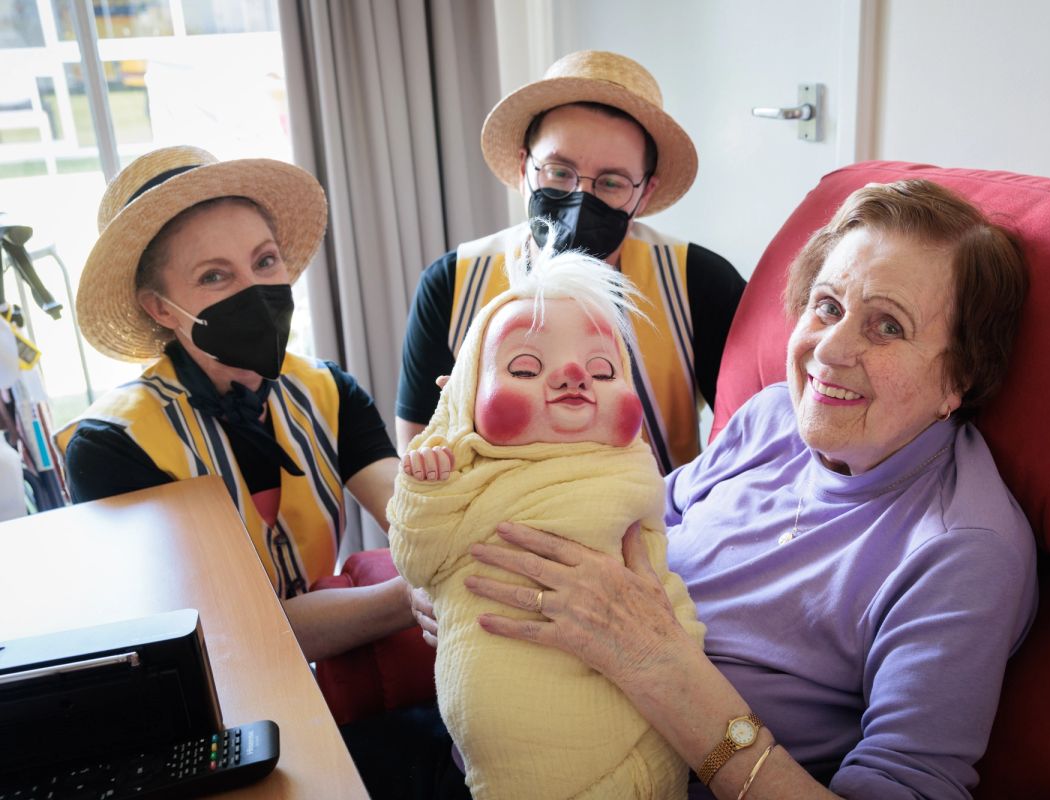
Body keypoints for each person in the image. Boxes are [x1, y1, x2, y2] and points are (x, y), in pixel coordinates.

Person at [454, 180, 1039, 799]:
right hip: (529, 718)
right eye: (828, 306)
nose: (830, 352)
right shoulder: (774, 416)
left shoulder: (961, 551)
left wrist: (655, 664)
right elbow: (642, 515)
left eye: (887, 327)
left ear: (960, 376)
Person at [55, 145, 414, 663]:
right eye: (214, 275)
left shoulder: (328, 391)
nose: (255, 290)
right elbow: (224, 632)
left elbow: (414, 517)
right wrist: (412, 599)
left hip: (334, 673)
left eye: (265, 261)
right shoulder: (113, 445)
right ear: (159, 307)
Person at [391, 239, 704, 799]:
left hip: (641, 703)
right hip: (504, 727)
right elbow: (416, 560)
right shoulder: (462, 467)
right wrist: (424, 488)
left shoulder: (628, 472)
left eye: (604, 370)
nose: (571, 376)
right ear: (467, 397)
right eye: (526, 366)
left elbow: (659, 574)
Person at [395, 50, 746, 474]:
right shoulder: (452, 283)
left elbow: (747, 436)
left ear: (645, 193)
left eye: (612, 182)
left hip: (661, 526)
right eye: (558, 172)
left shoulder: (699, 282)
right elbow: (417, 447)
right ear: (525, 166)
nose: (581, 198)